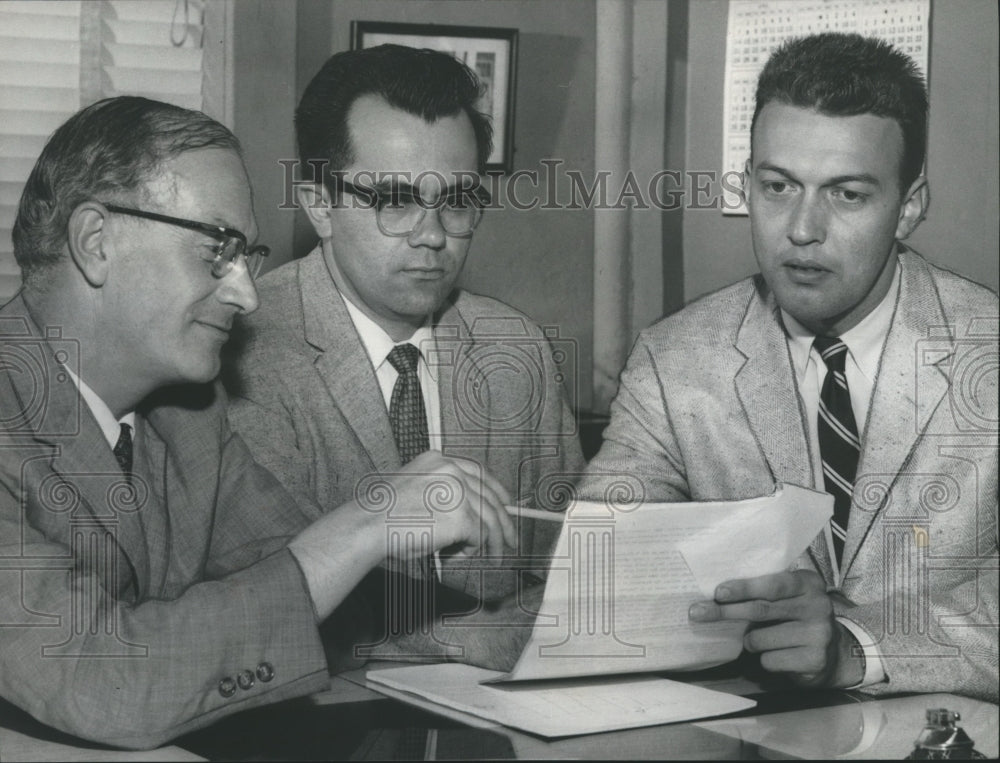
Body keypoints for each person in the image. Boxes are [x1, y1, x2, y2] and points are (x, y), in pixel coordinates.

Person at [0, 96, 517, 749]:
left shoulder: (187, 419)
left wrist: (511, 630)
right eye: (217, 249)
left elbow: (295, 593)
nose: (245, 294)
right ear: (96, 242)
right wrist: (365, 521)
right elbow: (105, 677)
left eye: (247, 256)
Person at [579, 33, 998, 700]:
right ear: (748, 185)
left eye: (847, 194)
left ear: (909, 206)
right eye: (778, 186)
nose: (802, 228)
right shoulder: (675, 358)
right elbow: (600, 571)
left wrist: (855, 647)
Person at [224, 45, 584, 637]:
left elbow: (568, 565)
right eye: (395, 200)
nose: (433, 236)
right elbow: (257, 606)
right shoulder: (248, 355)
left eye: (458, 201)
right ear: (320, 205)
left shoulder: (515, 349)